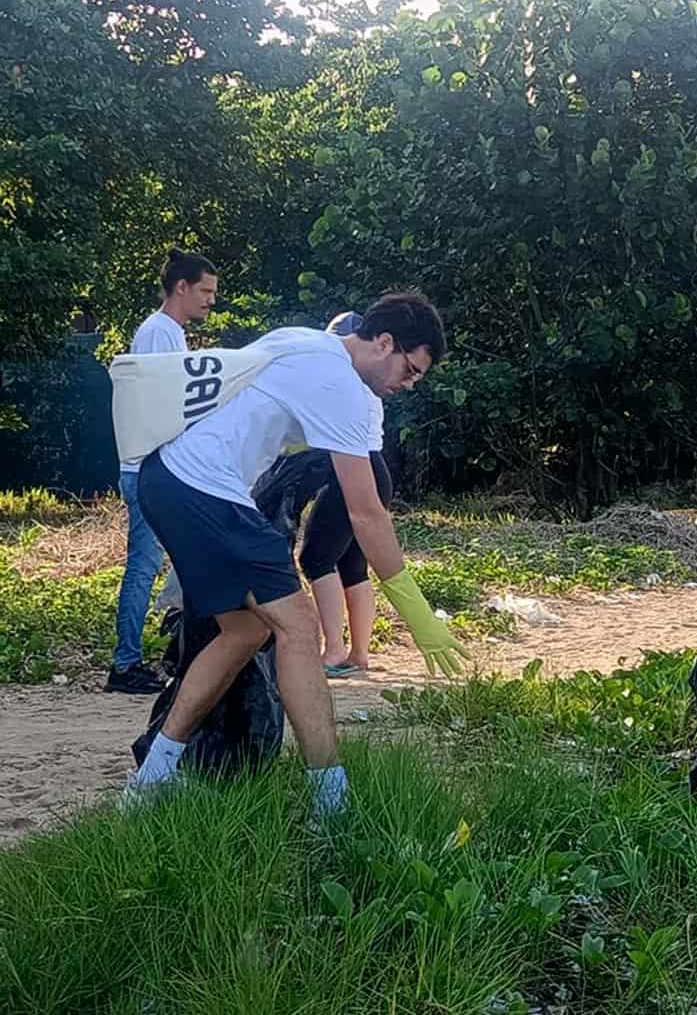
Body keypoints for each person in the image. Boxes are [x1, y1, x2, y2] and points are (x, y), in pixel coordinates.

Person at [123, 292, 469, 820]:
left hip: (168, 477)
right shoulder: (341, 387)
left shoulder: (308, 342)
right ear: (384, 343)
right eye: (412, 369)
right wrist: (418, 615)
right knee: (300, 629)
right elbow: (367, 514)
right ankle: (331, 803)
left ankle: (153, 778)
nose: (411, 383)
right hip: (204, 488)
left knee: (247, 629)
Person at [108, 251, 219, 695]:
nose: (212, 300)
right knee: (145, 566)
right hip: (150, 469)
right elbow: (163, 406)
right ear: (182, 288)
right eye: (206, 291)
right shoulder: (159, 334)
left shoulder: (168, 332)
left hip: (155, 467)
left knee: (176, 558)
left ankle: (171, 648)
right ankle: (126, 664)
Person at [286, 311, 394, 678]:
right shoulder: (371, 384)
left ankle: (333, 650)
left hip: (350, 470)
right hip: (377, 469)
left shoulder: (345, 380)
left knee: (315, 558)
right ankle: (359, 652)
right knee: (352, 566)